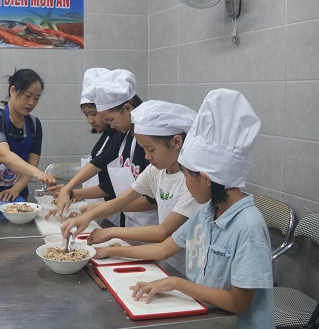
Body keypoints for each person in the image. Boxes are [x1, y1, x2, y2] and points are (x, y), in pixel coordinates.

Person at [83, 89, 274, 329]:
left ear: (205, 179)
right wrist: (108, 252)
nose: (184, 182)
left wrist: (176, 283)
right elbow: (164, 248)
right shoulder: (207, 211)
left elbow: (238, 303)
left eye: (186, 175)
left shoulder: (248, 227)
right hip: (209, 318)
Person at [61, 100, 199, 273]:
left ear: (177, 142)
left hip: (186, 268)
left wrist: (111, 232)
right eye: (144, 150)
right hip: (165, 263)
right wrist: (88, 216)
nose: (147, 156)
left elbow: (163, 232)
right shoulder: (155, 171)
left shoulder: (193, 183)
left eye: (151, 150)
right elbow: (121, 201)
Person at [47, 69, 158, 227]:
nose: (111, 126)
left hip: (151, 225)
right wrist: (68, 189)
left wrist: (103, 207)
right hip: (128, 222)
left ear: (128, 109)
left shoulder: (148, 142)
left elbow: (152, 200)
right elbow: (99, 162)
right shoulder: (124, 134)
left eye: (111, 119)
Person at [0, 68, 56, 201]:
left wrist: (16, 189)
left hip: (15, 195)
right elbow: (4, 156)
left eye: (36, 98)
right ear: (12, 90)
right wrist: (37, 173)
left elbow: (32, 162)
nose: (31, 102)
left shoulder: (34, 125)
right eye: (28, 96)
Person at [45, 68, 116, 204]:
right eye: (86, 114)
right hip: (96, 207)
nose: (90, 120)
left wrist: (72, 191)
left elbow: (110, 186)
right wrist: (73, 192)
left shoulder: (119, 138)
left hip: (110, 210)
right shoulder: (105, 137)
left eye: (94, 113)